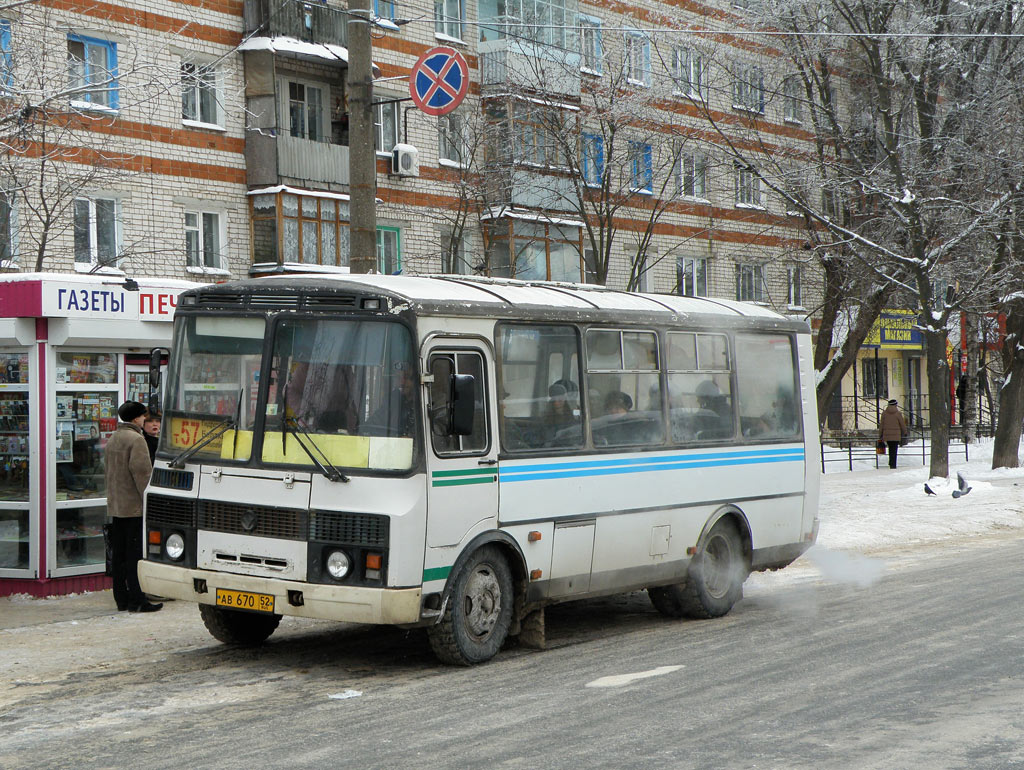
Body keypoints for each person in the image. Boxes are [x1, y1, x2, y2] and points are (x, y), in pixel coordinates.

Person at [105, 401, 161, 613]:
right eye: (143, 416)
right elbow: (142, 475)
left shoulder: (114, 438)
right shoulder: (136, 440)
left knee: (118, 555)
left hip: (117, 506)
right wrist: (150, 501)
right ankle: (138, 600)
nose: (145, 419)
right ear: (137, 418)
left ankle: (121, 598)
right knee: (134, 556)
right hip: (134, 507)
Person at [879, 398, 908, 470]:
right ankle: (893, 464)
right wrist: (905, 432)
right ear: (895, 405)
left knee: (890, 448)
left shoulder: (884, 413)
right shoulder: (898, 414)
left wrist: (880, 434)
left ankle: (891, 462)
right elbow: (902, 424)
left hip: (887, 435)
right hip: (896, 435)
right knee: (894, 449)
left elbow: (881, 425)